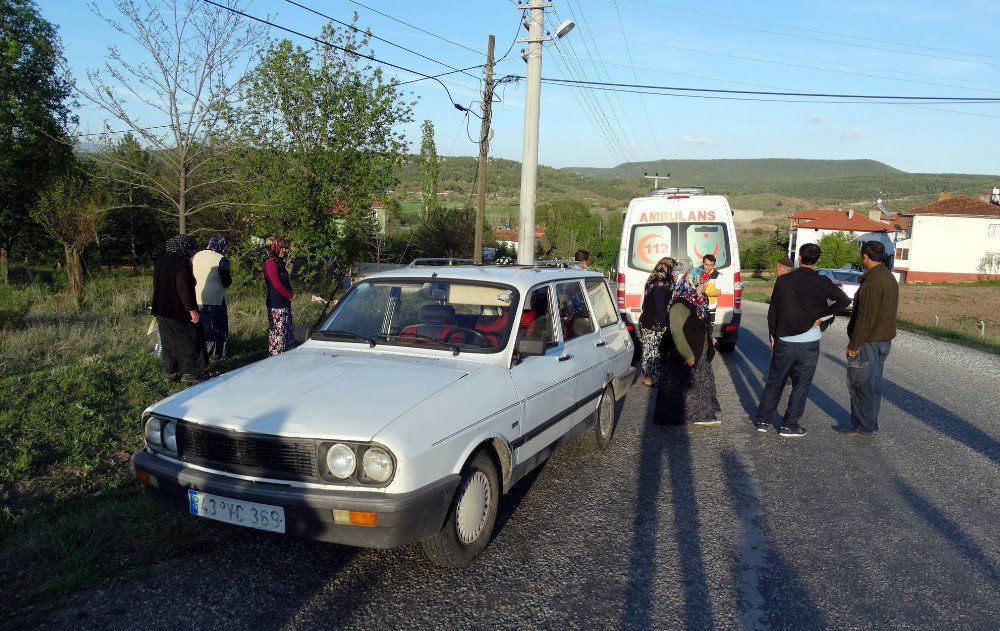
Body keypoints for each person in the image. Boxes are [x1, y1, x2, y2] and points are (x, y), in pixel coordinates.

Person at [754, 243, 851, 437]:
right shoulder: (822, 282)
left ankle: (763, 421)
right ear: (817, 260)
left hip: (784, 340)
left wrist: (773, 336)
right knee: (801, 385)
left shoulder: (783, 281)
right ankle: (789, 425)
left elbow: (773, 311)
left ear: (799, 258)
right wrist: (823, 316)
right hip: (809, 342)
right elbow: (844, 301)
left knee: (775, 381)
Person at [843, 241, 899, 436]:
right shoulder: (888, 277)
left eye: (862, 256)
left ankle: (862, 427)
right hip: (883, 340)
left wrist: (854, 343)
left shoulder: (872, 281)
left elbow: (865, 317)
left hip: (868, 342)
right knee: (873, 385)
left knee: (860, 385)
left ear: (865, 256)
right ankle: (869, 424)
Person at [656, 272, 721, 425]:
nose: (706, 286)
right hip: (684, 352)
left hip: (700, 349)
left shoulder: (699, 299)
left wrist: (709, 338)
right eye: (703, 282)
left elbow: (702, 323)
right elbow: (676, 330)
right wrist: (688, 355)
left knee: (701, 384)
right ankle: (689, 416)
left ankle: (702, 415)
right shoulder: (680, 304)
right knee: (680, 386)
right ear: (692, 283)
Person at [151, 234, 207, 383]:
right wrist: (192, 309)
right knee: (188, 339)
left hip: (161, 308)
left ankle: (171, 372)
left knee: (169, 341)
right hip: (178, 308)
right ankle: (190, 373)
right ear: (183, 246)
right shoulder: (180, 262)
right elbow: (183, 288)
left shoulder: (160, 260)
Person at [638, 257, 678, 387]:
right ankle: (653, 378)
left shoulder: (654, 280)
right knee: (655, 351)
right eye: (672, 269)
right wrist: (663, 324)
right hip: (654, 323)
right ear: (667, 268)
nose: (673, 272)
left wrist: (673, 282)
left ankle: (645, 376)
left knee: (647, 349)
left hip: (647, 321)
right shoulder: (660, 286)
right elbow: (661, 307)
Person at [192, 233, 232, 361]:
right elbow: (227, 282)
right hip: (215, 299)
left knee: (201, 328)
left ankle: (201, 355)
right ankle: (219, 355)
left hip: (196, 297)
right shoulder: (221, 259)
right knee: (219, 328)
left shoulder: (196, 256)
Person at [264, 236, 295, 356]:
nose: (284, 250)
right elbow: (276, 284)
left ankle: (288, 358)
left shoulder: (278, 262)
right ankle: (276, 360)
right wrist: (290, 295)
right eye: (281, 247)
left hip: (284, 304)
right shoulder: (270, 264)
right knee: (279, 336)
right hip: (277, 305)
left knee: (287, 333)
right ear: (274, 248)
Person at [694, 254, 720, 326]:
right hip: (697, 305)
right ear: (702, 263)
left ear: (714, 265)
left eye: (711, 265)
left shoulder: (718, 275)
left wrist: (704, 295)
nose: (708, 267)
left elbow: (718, 292)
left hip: (710, 306)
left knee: (709, 328)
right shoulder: (695, 273)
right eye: (706, 264)